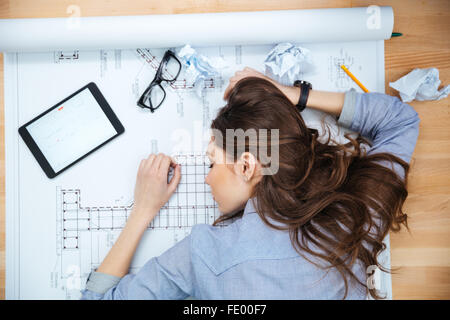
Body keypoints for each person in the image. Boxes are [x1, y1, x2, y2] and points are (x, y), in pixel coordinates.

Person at [81, 67, 420, 300]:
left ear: (246, 166)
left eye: (212, 162)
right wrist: (291, 95)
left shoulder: (207, 253)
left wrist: (142, 210)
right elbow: (400, 122)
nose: (207, 177)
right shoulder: (349, 221)